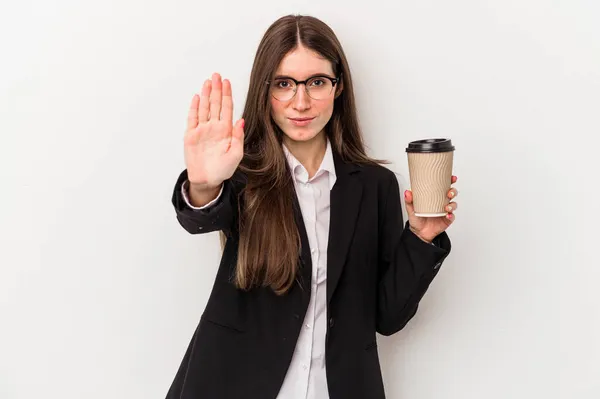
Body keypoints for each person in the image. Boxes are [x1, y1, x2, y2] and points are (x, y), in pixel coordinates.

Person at [167, 14, 458, 399]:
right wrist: (203, 184)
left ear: (338, 87)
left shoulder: (374, 187)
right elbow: (201, 215)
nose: (300, 102)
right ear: (264, 89)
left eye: (316, 82)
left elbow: (387, 317)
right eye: (284, 84)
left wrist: (421, 237)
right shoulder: (241, 174)